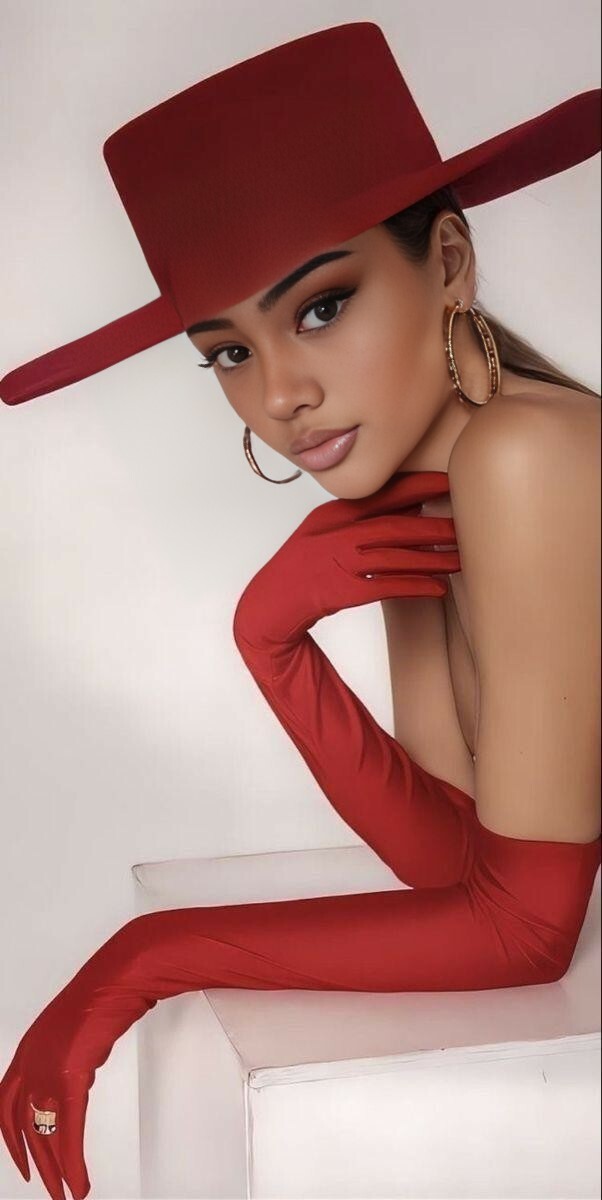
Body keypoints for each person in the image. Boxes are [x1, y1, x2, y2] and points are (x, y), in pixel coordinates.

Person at [0, 21, 600, 1200]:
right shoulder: (434, 482)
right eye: (225, 352)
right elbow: (451, 864)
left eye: (319, 307)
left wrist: (143, 960)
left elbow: (522, 934)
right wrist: (272, 646)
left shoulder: (525, 457)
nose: (278, 395)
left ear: (448, 261)